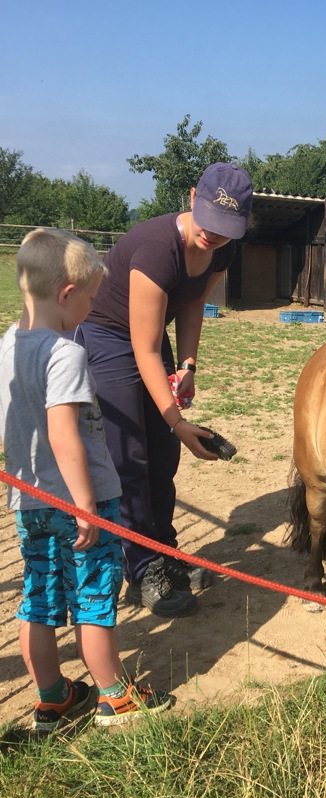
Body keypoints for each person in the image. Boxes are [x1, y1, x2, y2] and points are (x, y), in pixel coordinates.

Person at [0, 228, 172, 730]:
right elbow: (64, 435)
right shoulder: (64, 353)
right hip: (80, 505)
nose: (94, 311)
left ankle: (53, 696)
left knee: (39, 597)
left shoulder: (7, 346)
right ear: (67, 295)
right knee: (95, 600)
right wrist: (85, 505)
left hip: (28, 503)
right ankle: (114, 696)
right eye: (92, 301)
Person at [75, 162, 253, 618]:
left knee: (162, 457)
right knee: (131, 455)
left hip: (155, 339)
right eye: (210, 221)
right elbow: (143, 349)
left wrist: (190, 365)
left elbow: (194, 303)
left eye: (227, 228)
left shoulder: (222, 250)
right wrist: (177, 420)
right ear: (193, 196)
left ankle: (164, 551)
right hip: (109, 336)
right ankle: (141, 570)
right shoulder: (158, 248)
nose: (214, 235)